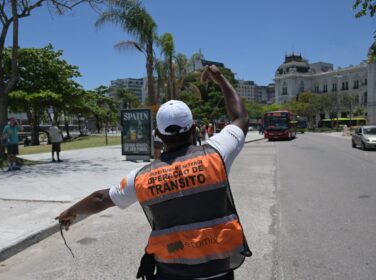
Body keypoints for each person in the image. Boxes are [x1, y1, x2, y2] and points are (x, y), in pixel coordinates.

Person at [56, 65, 252, 280]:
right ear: (194, 129)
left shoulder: (142, 177)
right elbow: (240, 117)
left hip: (172, 271)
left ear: (158, 133)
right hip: (218, 270)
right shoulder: (217, 153)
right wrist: (220, 80)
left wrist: (71, 213)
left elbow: (101, 198)